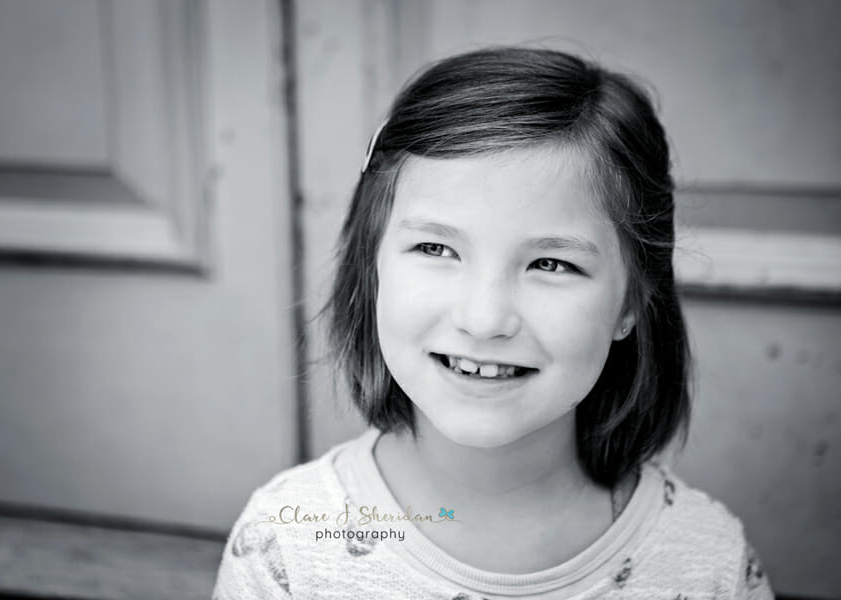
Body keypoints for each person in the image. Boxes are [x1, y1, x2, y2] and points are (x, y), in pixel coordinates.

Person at [212, 46, 774, 599]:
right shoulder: (290, 545)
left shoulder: (705, 564)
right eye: (435, 248)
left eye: (551, 264)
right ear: (372, 264)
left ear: (631, 302)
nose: (484, 320)